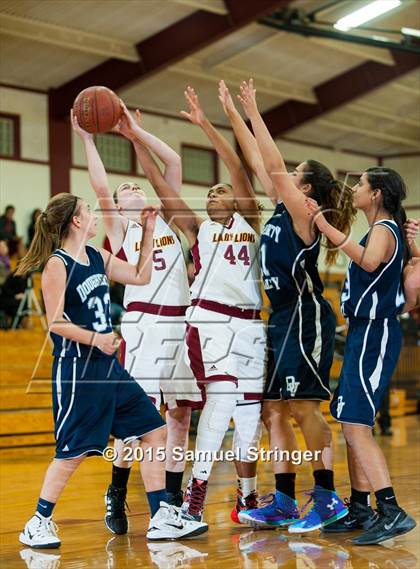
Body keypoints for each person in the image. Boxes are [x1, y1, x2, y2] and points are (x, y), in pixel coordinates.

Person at [16, 192, 207, 548]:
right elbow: (55, 323)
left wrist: (149, 230)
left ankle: (161, 516)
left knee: (153, 429)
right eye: (87, 210)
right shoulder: (57, 265)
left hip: (109, 369)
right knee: (73, 451)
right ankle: (38, 521)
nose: (93, 214)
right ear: (75, 221)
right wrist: (95, 338)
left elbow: (139, 275)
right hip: (79, 369)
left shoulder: (96, 255)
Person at [223, 79, 352, 532]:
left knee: (303, 409)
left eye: (295, 174)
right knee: (274, 410)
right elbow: (261, 162)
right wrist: (231, 114)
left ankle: (327, 497)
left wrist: (256, 111)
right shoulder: (282, 207)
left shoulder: (303, 213)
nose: (284, 176)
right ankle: (281, 500)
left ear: (308, 189)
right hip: (278, 317)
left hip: (304, 313)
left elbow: (273, 166)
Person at [134, 86, 267, 525]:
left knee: (249, 415)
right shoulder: (197, 229)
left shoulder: (250, 219)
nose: (212, 194)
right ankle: (195, 494)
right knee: (221, 402)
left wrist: (209, 122)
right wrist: (135, 137)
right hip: (209, 319)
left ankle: (246, 499)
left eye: (219, 191)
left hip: (250, 325)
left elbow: (235, 164)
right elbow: (157, 182)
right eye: (208, 192)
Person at [72, 106, 199, 535]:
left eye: (134, 183)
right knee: (140, 421)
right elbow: (101, 184)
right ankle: (118, 491)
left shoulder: (164, 218)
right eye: (125, 186)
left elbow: (175, 163)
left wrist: (136, 133)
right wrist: (89, 139)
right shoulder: (119, 229)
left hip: (180, 327)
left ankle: (174, 498)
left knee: (180, 417)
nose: (129, 186)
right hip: (145, 329)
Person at [306, 167, 417, 545]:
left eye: (361, 185)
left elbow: (370, 262)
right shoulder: (382, 230)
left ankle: (390, 509)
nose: (354, 189)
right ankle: (359, 507)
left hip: (376, 333)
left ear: (377, 194)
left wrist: (324, 225)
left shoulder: (385, 231)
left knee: (356, 427)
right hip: (361, 333)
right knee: (351, 423)